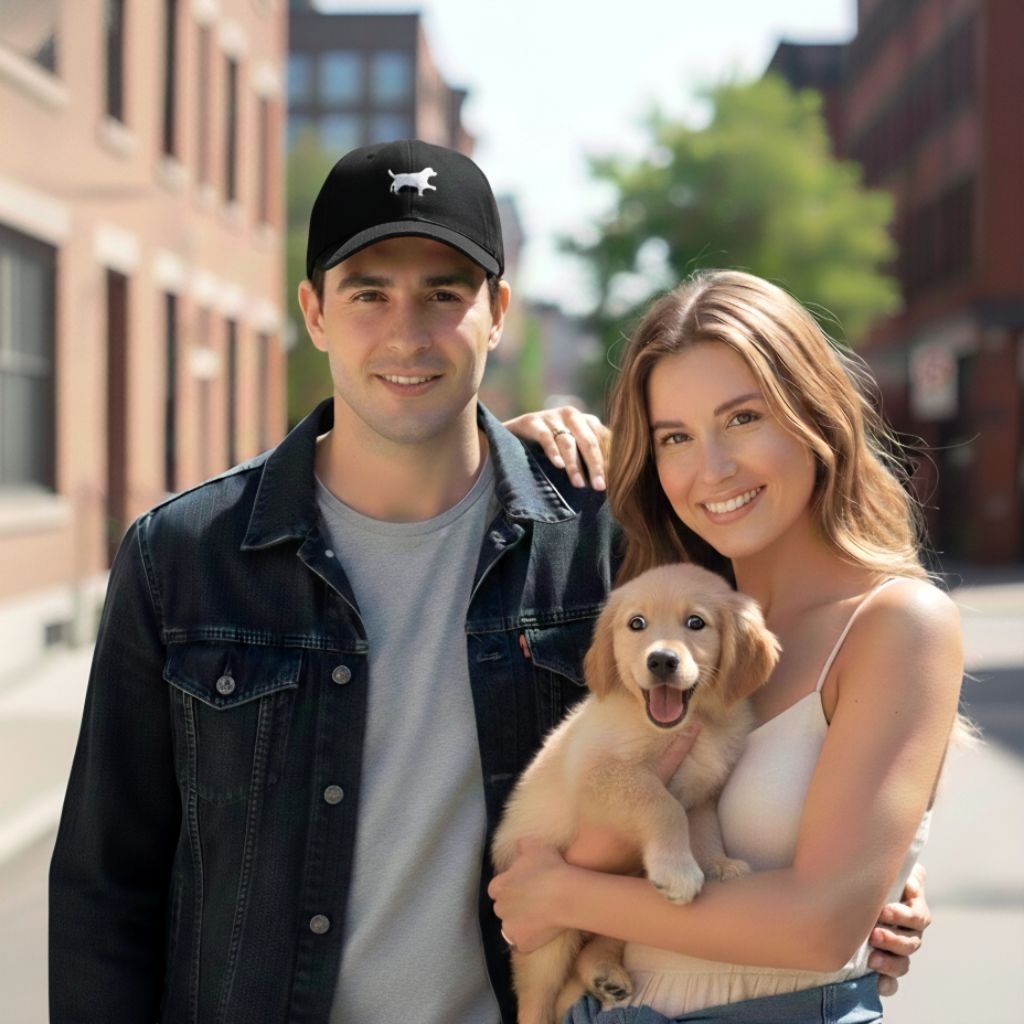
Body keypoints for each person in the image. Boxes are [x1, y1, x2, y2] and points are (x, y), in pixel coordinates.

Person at [47, 140, 926, 1024]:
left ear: (498, 312)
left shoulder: (605, 544)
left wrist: (877, 891)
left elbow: (749, 747)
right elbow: (104, 886)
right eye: (368, 294)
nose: (407, 333)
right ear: (313, 312)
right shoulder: (184, 558)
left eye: (444, 294)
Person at [489, 268, 967, 1023]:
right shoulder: (667, 613)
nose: (711, 469)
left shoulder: (896, 624)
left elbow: (817, 930)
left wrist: (558, 895)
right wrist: (503, 451)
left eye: (743, 418)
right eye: (675, 437)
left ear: (813, 414)